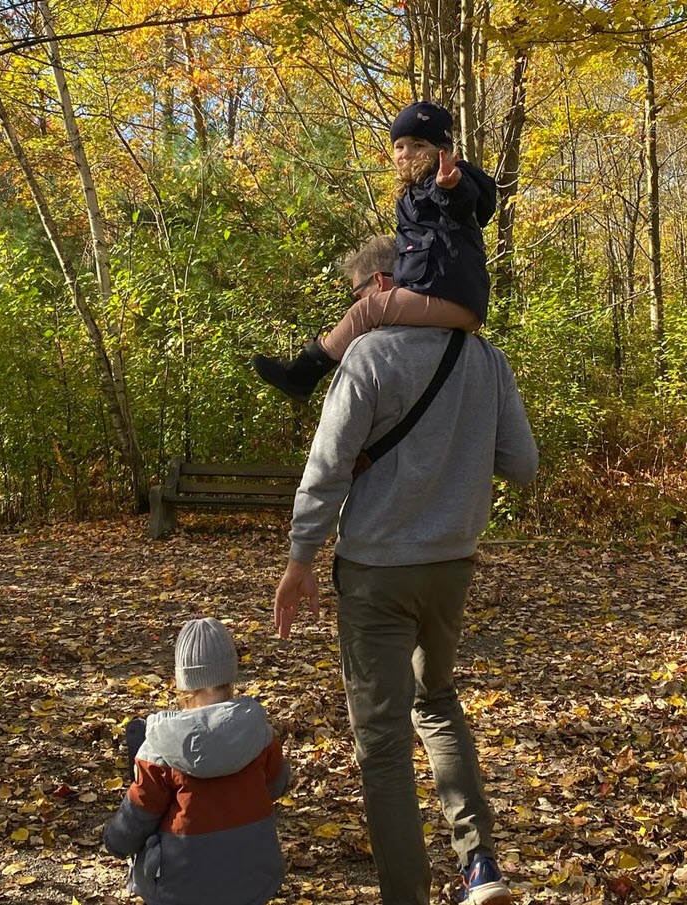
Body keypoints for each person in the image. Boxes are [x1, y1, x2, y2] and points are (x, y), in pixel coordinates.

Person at [272, 237, 539, 905]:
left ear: (384, 282)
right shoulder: (485, 356)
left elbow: (327, 465)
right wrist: (455, 450)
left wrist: (300, 558)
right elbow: (522, 463)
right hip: (451, 565)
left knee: (384, 745)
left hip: (376, 572)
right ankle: (480, 867)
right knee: (438, 702)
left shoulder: (369, 355)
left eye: (359, 293)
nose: (356, 308)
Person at [252, 100, 498, 402]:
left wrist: (451, 187)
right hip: (440, 293)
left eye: (418, 144)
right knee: (380, 317)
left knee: (367, 310)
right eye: (399, 146)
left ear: (441, 150)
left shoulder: (446, 180)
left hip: (453, 296)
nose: (407, 153)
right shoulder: (410, 194)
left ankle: (304, 373)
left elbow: (464, 206)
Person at [102, 617, 290, 905]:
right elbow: (277, 785)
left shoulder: (160, 747)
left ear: (184, 684)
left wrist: (115, 841)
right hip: (254, 879)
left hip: (180, 888)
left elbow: (138, 815)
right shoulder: (258, 734)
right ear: (230, 675)